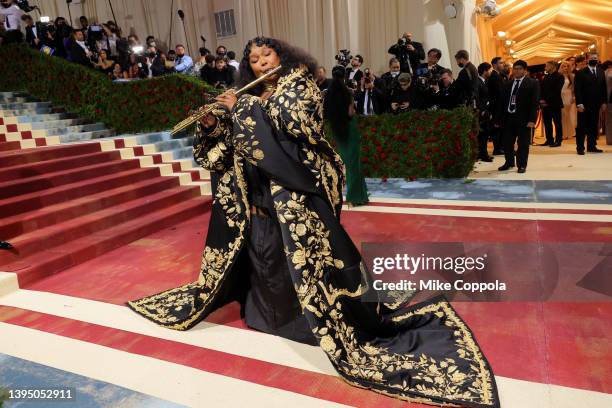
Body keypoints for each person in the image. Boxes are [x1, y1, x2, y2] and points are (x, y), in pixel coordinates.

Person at [126, 35, 499, 408]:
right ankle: (266, 316)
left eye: (267, 55)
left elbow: (294, 126)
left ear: (282, 55)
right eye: (254, 60)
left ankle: (303, 323)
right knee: (263, 261)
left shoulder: (299, 86)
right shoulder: (251, 95)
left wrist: (243, 108)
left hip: (294, 197)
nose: (262, 64)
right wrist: (212, 125)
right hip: (255, 204)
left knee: (302, 263)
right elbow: (221, 157)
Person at [324, 65, 369, 207]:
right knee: (354, 164)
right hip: (349, 128)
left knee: (346, 163)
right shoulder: (347, 92)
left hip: (337, 129)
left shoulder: (328, 93)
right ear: (344, 76)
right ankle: (354, 197)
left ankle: (360, 195)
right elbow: (350, 113)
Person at [496, 60, 539, 173]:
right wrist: (499, 118)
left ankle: (522, 165)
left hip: (524, 119)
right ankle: (509, 162)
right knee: (507, 142)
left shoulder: (533, 83)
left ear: (525, 70)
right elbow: (502, 103)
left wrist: (532, 120)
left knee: (523, 144)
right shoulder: (507, 84)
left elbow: (534, 103)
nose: (517, 71)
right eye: (515, 68)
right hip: (508, 117)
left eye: (520, 68)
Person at [574, 52, 607, 154]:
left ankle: (592, 146)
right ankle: (580, 148)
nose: (594, 59)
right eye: (592, 58)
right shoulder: (581, 73)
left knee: (593, 126)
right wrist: (579, 104)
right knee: (582, 127)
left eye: (596, 58)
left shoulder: (601, 72)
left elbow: (603, 88)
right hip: (584, 105)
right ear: (587, 60)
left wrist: (604, 102)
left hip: (596, 104)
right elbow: (577, 90)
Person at [539, 61, 565, 147]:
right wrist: (541, 100)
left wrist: (546, 100)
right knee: (547, 123)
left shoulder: (560, 76)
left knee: (557, 123)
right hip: (545, 104)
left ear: (553, 66)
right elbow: (542, 89)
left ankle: (558, 140)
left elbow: (556, 91)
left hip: (555, 103)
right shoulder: (546, 77)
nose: (545, 67)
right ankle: (549, 139)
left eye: (547, 66)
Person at [487, 57, 506, 155]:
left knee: (500, 127)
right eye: (501, 63)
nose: (503, 64)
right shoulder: (494, 76)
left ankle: (500, 147)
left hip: (499, 106)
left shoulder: (499, 75)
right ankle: (498, 148)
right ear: (494, 65)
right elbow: (499, 93)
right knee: (497, 127)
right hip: (496, 107)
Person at [477, 62, 493, 162]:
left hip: (485, 111)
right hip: (481, 112)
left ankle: (482, 153)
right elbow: (477, 98)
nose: (490, 72)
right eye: (489, 70)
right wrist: (482, 110)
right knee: (483, 135)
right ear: (485, 71)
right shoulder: (478, 82)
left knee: (484, 134)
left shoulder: (484, 81)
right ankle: (483, 155)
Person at [559, 61, 576, 140]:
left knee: (567, 115)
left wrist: (573, 97)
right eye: (563, 66)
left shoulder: (571, 76)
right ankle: (563, 133)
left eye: (567, 66)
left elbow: (573, 88)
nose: (565, 68)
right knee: (562, 115)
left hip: (568, 96)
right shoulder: (558, 76)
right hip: (560, 96)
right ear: (561, 67)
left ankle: (569, 133)